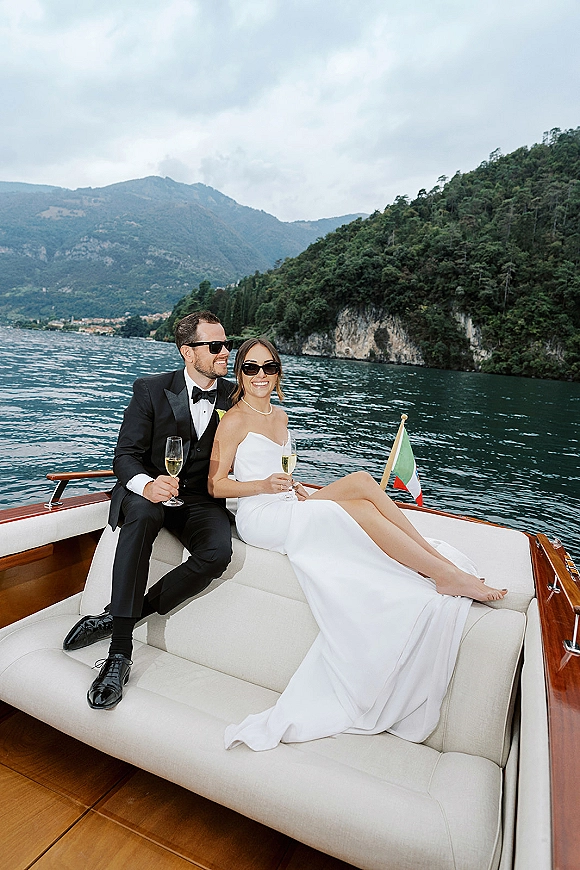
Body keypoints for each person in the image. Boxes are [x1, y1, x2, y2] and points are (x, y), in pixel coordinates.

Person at [208, 337, 507, 751]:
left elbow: (284, 472)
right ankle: (442, 575)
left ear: (278, 372)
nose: (260, 376)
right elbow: (215, 484)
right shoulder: (234, 420)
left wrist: (295, 491)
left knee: (363, 482)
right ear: (239, 373)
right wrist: (261, 485)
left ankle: (436, 559)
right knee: (361, 512)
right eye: (250, 368)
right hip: (259, 517)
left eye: (268, 367)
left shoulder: (280, 416)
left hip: (286, 501)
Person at [63, 311, 235, 710]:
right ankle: (119, 655)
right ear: (187, 353)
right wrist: (149, 485)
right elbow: (125, 457)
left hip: (201, 500)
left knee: (218, 554)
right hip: (151, 491)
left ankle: (117, 617)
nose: (225, 351)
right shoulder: (150, 389)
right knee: (139, 517)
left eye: (227, 344)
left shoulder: (234, 397)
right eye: (216, 346)